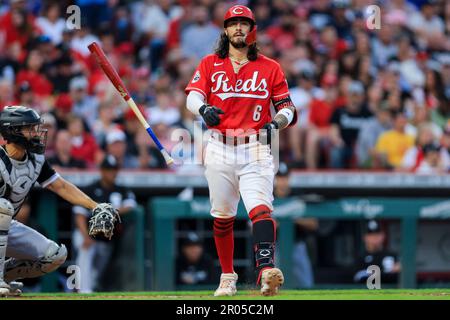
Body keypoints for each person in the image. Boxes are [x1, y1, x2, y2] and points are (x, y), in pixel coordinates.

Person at [185, 5, 297, 297]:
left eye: (243, 23)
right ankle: (227, 277)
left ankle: (266, 271)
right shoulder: (210, 63)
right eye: (233, 23)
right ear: (225, 30)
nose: (238, 28)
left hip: (255, 148)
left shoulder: (270, 66)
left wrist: (276, 123)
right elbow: (193, 96)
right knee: (222, 216)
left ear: (252, 29)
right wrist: (203, 108)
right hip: (219, 146)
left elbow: (288, 107)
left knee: (261, 209)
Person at [0, 105, 117, 297]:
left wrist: (95, 206)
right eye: (29, 128)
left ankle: (4, 276)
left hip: (5, 226)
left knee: (54, 256)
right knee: (2, 208)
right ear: (13, 131)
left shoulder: (35, 160)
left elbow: (60, 186)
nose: (36, 133)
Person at [72, 154, 136, 293]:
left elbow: (131, 205)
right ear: (102, 170)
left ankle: (87, 286)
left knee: (98, 269)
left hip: (106, 239)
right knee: (86, 249)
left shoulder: (121, 189)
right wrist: (85, 236)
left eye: (114, 169)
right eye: (108, 169)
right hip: (86, 232)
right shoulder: (90, 189)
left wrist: (108, 211)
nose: (112, 173)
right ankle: (84, 291)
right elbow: (79, 215)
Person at [274, 163, 317, 288]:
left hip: (297, 245)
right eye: (280, 178)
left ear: (289, 178)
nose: (282, 181)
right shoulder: (268, 197)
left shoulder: (298, 196)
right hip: (275, 247)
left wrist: (293, 219)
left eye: (285, 178)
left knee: (306, 285)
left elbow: (313, 223)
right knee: (274, 287)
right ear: (275, 179)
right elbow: (253, 228)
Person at [353, 220, 401, 284]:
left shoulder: (392, 255)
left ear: (383, 236)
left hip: (388, 291)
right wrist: (386, 272)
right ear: (365, 237)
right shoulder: (360, 257)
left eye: (377, 234)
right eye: (371, 235)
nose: (374, 238)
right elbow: (359, 277)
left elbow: (398, 277)